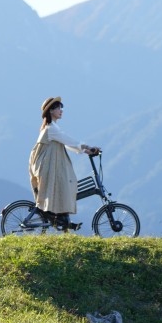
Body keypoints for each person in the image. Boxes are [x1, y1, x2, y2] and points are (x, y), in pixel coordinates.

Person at [28, 96, 100, 231]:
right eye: (58, 108)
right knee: (64, 184)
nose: (61, 110)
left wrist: (85, 150)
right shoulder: (51, 129)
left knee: (63, 185)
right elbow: (69, 141)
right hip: (46, 165)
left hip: (48, 164)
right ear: (51, 111)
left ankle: (62, 220)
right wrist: (87, 147)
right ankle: (58, 219)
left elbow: (66, 144)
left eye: (61, 107)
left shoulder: (53, 128)